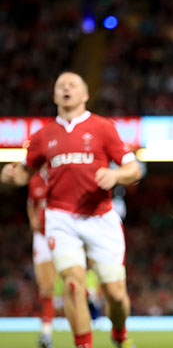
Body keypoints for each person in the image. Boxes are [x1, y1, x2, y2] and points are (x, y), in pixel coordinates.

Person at [1, 71, 142, 348]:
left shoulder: (103, 128)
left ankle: (119, 334)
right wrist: (8, 176)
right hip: (60, 217)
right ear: (54, 95)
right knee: (73, 284)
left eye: (73, 84)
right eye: (60, 85)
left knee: (115, 294)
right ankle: (83, 345)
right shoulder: (42, 136)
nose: (66, 88)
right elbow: (23, 175)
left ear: (85, 95)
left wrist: (116, 176)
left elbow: (133, 168)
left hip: (101, 217)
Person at [27, 168, 56, 348]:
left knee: (73, 282)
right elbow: (31, 203)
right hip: (42, 238)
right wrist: (32, 218)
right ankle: (46, 332)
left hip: (62, 235)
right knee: (46, 288)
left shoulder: (61, 174)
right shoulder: (35, 180)